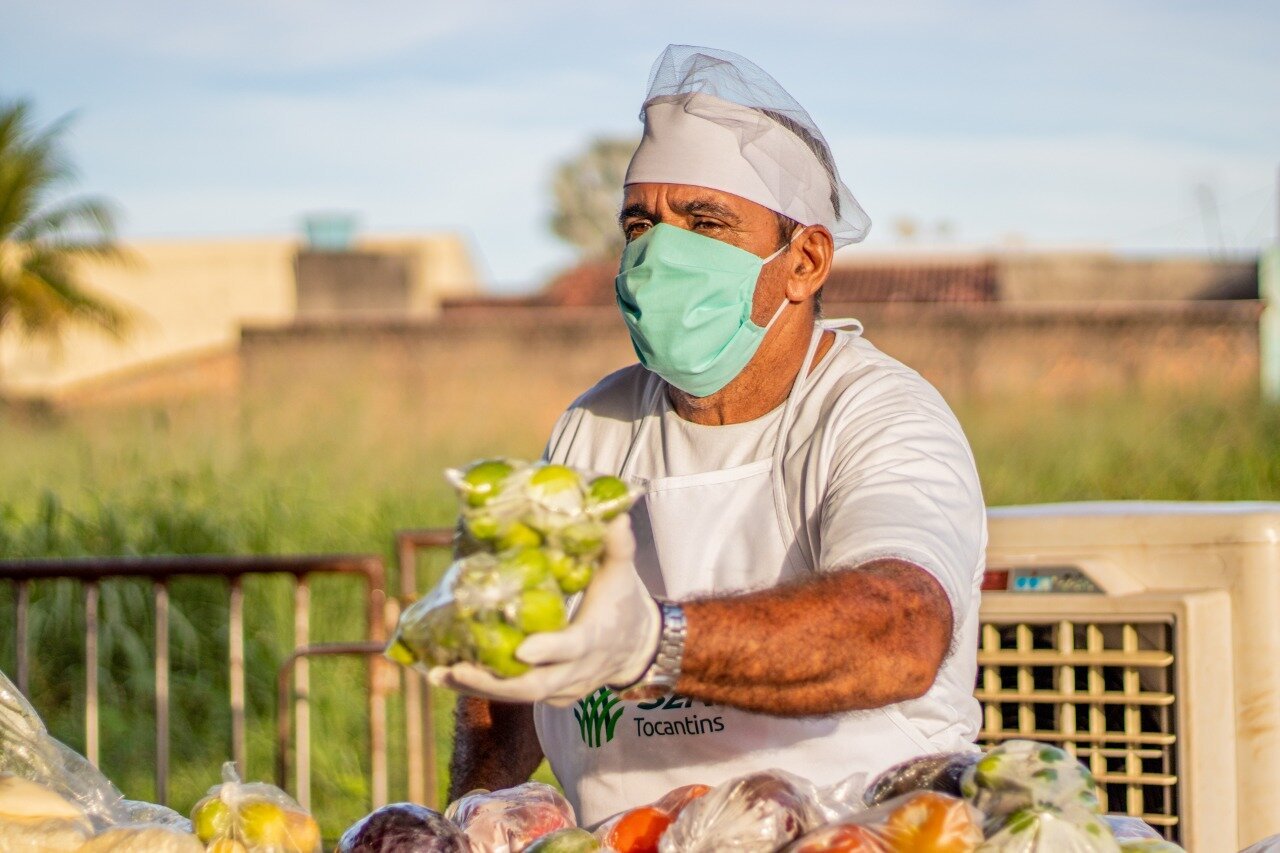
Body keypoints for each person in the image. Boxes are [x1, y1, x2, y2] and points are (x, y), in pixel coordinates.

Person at [432, 45, 987, 825]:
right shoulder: (595, 427)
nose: (660, 254)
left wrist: (652, 644)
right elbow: (513, 683)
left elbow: (901, 627)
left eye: (705, 223)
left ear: (804, 261)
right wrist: (470, 815)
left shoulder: (879, 414)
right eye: (641, 222)